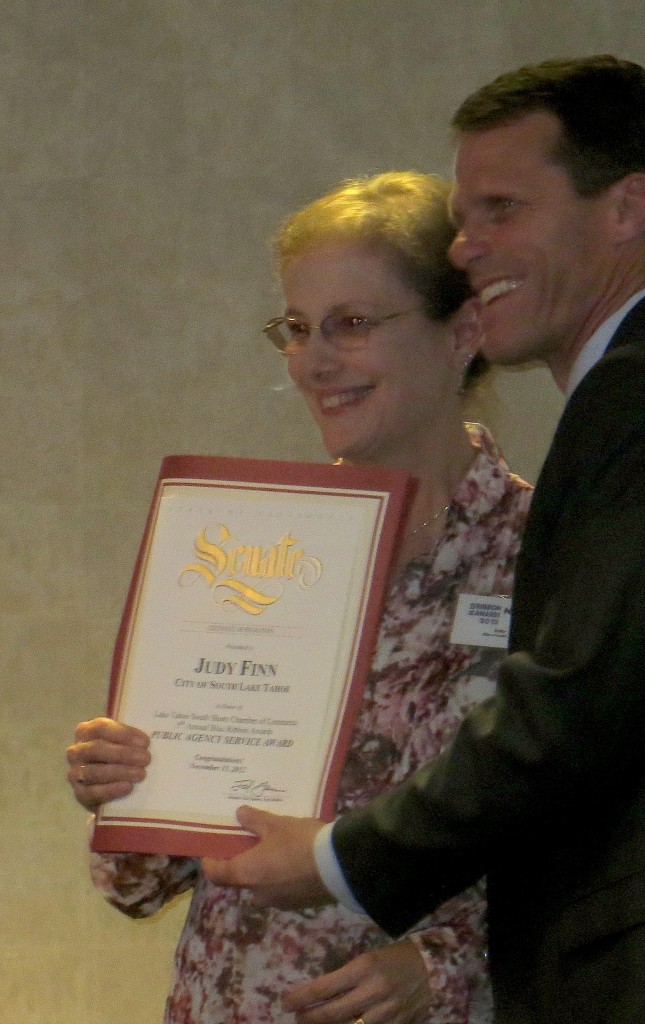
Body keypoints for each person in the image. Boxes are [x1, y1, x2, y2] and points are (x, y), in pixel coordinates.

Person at [204, 56, 645, 1023]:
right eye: (465, 219)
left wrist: (338, 858)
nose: (469, 247)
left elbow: (573, 710)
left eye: (503, 210)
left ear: (626, 209)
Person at [65, 170, 533, 1024]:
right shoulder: (258, 546)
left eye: (351, 325)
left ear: (461, 329)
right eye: (298, 327)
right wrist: (127, 785)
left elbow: (601, 829)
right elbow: (138, 885)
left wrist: (448, 964)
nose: (314, 361)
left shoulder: (547, 552)